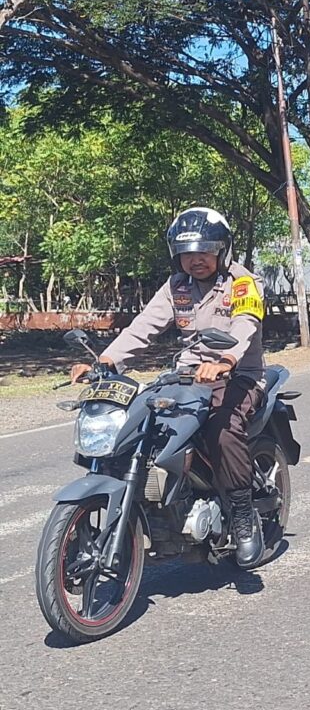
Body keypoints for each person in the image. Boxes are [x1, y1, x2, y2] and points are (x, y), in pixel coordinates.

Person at [69, 208, 268, 568]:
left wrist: (225, 361)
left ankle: (243, 517)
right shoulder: (176, 287)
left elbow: (245, 324)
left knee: (222, 431)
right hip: (188, 374)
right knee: (141, 418)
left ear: (222, 250)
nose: (196, 260)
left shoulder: (243, 282)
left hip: (240, 374)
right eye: (187, 253)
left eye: (205, 251)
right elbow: (143, 326)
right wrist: (106, 361)